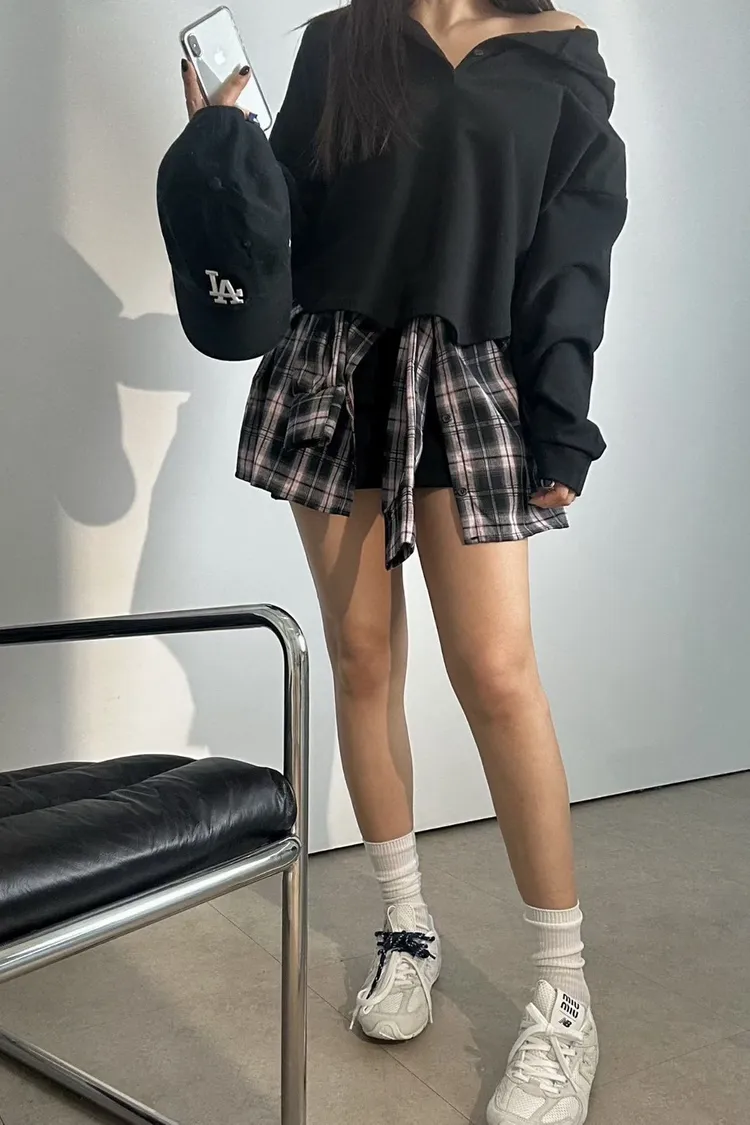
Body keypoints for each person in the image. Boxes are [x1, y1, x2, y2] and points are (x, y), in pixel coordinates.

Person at [182, 3, 626, 1123]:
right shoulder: (344, 40)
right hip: (332, 365)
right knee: (363, 655)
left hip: (469, 371)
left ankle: (564, 996)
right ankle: (406, 929)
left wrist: (561, 420)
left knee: (499, 677)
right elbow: (286, 230)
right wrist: (221, 157)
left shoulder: (558, 55)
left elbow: (573, 249)